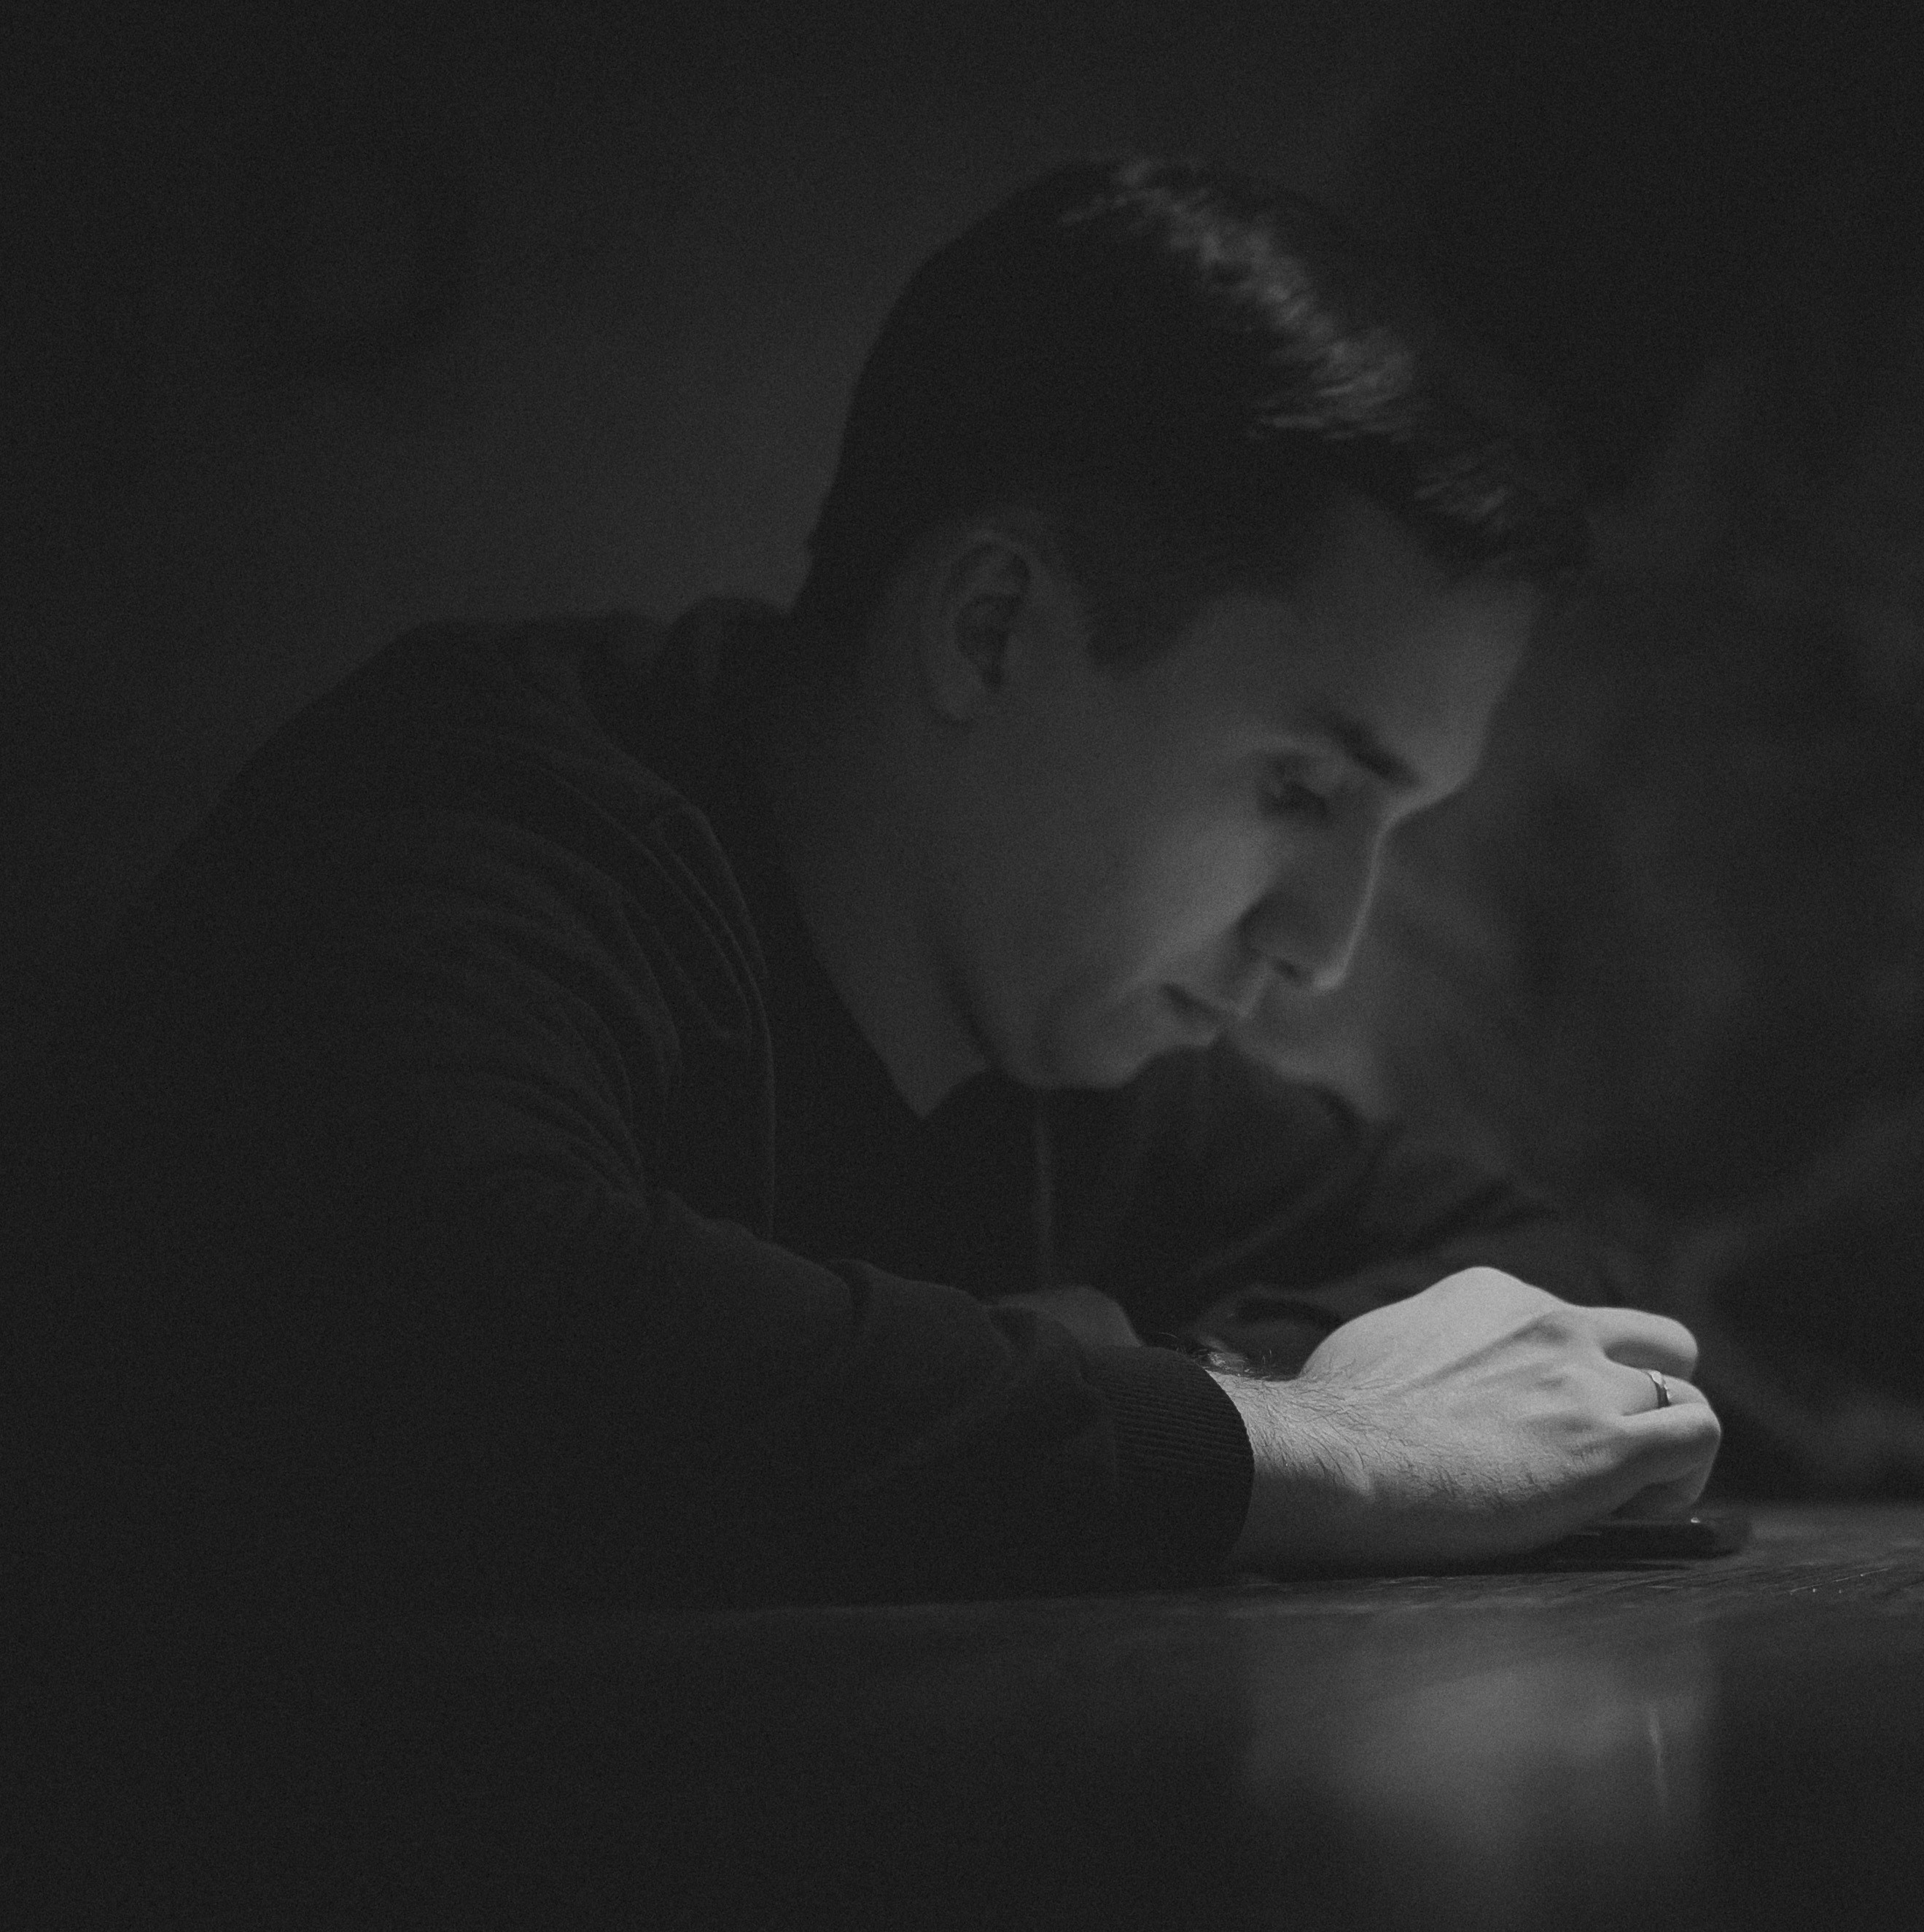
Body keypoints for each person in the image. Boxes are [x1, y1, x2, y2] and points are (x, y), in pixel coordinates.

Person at [9, 157, 1718, 1605]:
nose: (1320, 944)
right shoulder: (462, 825)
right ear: (991, 628)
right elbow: (475, 1323)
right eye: (1298, 789)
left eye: (1389, 823)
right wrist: (1331, 1447)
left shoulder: (1067, 1052)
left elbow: (1535, 1262)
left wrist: (1183, 1380)